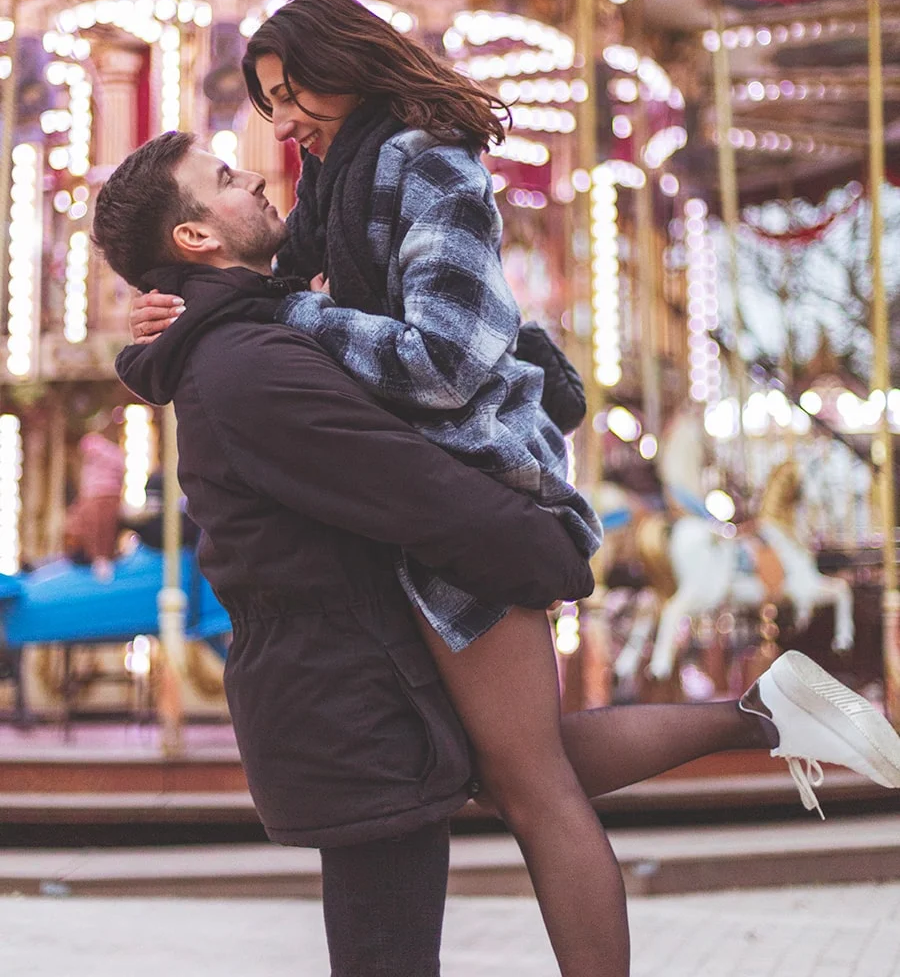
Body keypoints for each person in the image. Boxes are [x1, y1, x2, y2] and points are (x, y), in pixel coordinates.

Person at [117, 129, 900, 977]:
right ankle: (766, 715)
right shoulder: (251, 349)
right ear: (193, 238)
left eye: (291, 114)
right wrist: (541, 548)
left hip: (362, 653)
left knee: (524, 785)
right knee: (522, 781)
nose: (267, 168)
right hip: (350, 660)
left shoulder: (267, 321)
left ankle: (768, 716)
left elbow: (405, 450)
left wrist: (194, 317)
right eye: (228, 178)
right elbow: (402, 474)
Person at [65, 418, 125, 581]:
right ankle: (102, 558)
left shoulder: (95, 450)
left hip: (98, 492)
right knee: (101, 527)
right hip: (105, 492)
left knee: (98, 526)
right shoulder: (113, 453)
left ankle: (100, 559)